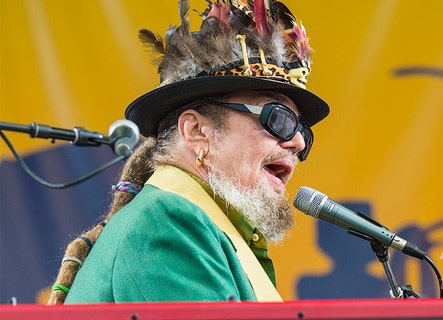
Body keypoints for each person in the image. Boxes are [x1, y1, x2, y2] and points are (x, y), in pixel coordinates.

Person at [47, 0, 329, 304]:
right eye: (279, 119)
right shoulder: (169, 222)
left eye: (302, 131)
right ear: (196, 131)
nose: (298, 143)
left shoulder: (199, 225)